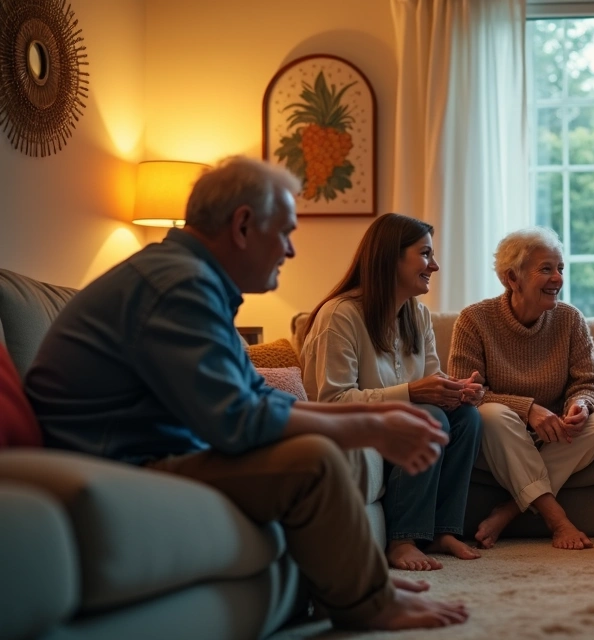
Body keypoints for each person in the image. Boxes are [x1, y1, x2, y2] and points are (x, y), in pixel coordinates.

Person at [24, 157, 468, 631]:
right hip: (119, 461)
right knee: (311, 461)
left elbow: (255, 394)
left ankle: (360, 580)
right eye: (285, 232)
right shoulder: (177, 285)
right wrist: (369, 424)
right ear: (242, 225)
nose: (291, 250)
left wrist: (367, 423)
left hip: (148, 449)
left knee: (314, 447)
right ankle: (368, 602)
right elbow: (236, 419)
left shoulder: (192, 280)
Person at [300, 213, 483, 572]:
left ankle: (442, 531)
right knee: (427, 416)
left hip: (401, 427)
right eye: (425, 254)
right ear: (391, 257)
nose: (435, 265)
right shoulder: (340, 316)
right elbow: (331, 401)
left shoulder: (418, 315)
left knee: (466, 418)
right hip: (354, 430)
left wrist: (458, 392)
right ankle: (402, 540)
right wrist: (413, 394)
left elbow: (431, 382)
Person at [448, 227, 594, 551]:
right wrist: (528, 409)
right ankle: (557, 520)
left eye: (560, 268)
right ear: (512, 278)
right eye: (546, 269)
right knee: (493, 415)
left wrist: (581, 404)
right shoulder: (474, 320)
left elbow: (589, 382)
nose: (558, 279)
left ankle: (508, 510)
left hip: (551, 437)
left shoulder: (570, 320)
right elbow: (465, 393)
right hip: (497, 438)